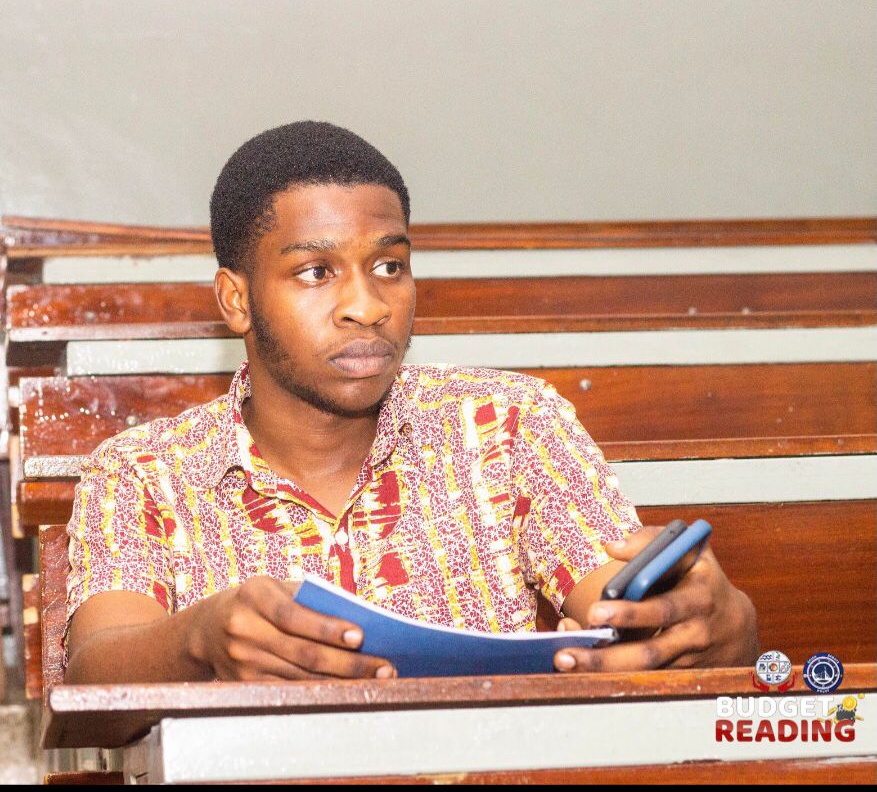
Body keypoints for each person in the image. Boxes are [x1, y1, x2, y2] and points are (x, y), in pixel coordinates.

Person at [65, 121, 757, 683]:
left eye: (389, 265)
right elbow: (99, 669)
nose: (367, 306)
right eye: (315, 272)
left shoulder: (506, 424)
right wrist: (196, 638)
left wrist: (711, 624)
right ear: (237, 299)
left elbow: (620, 603)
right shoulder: (143, 471)